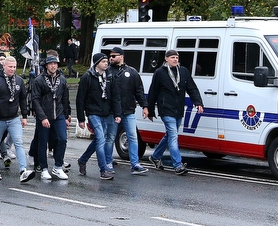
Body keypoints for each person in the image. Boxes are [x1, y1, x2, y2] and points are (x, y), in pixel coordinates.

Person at [146, 49, 204, 175]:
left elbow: (192, 88)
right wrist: (149, 110)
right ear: (166, 59)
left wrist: (198, 102)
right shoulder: (160, 73)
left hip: (178, 109)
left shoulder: (183, 71)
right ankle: (178, 165)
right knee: (173, 136)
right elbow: (153, 92)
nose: (175, 59)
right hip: (166, 109)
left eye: (176, 57)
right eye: (172, 57)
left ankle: (155, 156)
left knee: (169, 135)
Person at [0, 56, 32, 182]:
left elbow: (22, 99)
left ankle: (23, 170)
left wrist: (25, 116)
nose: (12, 69)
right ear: (3, 66)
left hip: (14, 118)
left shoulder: (19, 81)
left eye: (14, 67)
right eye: (10, 66)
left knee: (19, 143)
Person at [76, 52, 122, 180]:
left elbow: (115, 96)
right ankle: (103, 170)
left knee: (98, 140)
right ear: (96, 63)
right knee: (101, 139)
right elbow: (80, 99)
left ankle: (83, 160)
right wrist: (81, 118)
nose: (106, 63)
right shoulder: (88, 77)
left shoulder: (110, 77)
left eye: (107, 62)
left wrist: (117, 113)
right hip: (93, 113)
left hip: (106, 113)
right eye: (103, 62)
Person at [106, 46, 149, 174]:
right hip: (112, 111)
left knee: (133, 137)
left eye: (114, 56)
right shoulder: (107, 71)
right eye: (110, 56)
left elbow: (139, 91)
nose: (111, 58)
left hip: (128, 110)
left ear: (121, 56)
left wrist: (144, 106)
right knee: (111, 137)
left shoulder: (132, 72)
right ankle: (108, 162)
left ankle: (135, 164)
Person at [29, 54, 71, 181]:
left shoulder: (62, 79)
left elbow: (65, 98)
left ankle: (58, 166)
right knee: (43, 142)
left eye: (55, 64)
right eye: (51, 64)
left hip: (58, 114)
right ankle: (44, 168)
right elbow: (35, 100)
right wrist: (42, 117)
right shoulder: (39, 80)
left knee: (62, 139)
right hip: (44, 115)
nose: (53, 66)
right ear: (46, 65)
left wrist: (67, 115)